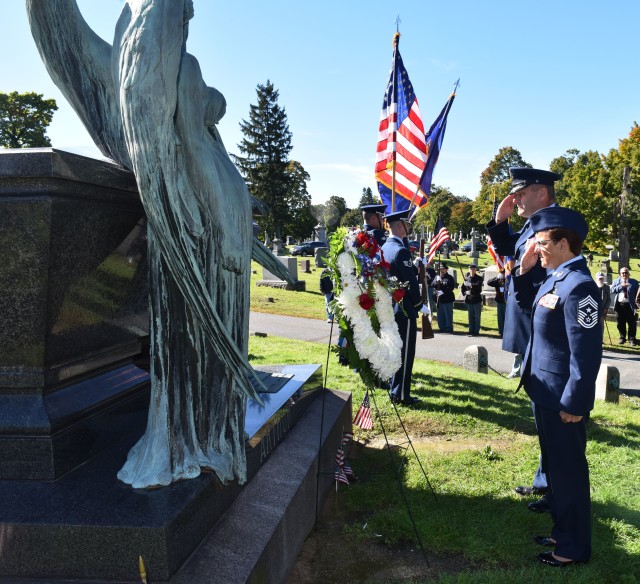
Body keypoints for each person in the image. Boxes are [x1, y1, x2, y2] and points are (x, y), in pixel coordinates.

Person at [515, 206, 602, 567]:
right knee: (554, 471)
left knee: (569, 474)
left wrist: (575, 403)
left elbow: (585, 356)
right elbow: (525, 307)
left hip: (562, 399)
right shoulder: (556, 277)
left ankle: (572, 548)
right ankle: (561, 531)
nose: (537, 250)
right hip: (544, 393)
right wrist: (524, 271)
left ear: (564, 244)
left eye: (542, 243)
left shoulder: (579, 286)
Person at [486, 167, 559, 506]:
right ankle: (546, 480)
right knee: (540, 410)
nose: (515, 197)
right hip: (529, 326)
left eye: (522, 192)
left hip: (541, 328)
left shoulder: (551, 227)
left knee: (549, 411)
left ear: (542, 192)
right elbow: (511, 251)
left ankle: (554, 485)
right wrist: (499, 222)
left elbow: (541, 281)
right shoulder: (534, 225)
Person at [381, 210, 430, 405]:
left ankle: (395, 390)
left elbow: (399, 273)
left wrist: (415, 264)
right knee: (405, 354)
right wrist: (420, 306)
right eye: (407, 224)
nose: (408, 228)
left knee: (395, 352)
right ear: (400, 226)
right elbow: (409, 283)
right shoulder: (401, 250)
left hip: (391, 308)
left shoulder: (386, 246)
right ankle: (401, 395)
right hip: (404, 309)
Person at [611, 267, 639, 345]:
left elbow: (637, 295)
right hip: (619, 305)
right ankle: (622, 338)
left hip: (630, 306)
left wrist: (636, 306)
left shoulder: (634, 282)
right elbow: (612, 290)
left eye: (626, 272)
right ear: (620, 274)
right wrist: (621, 286)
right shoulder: (616, 281)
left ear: (628, 273)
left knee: (632, 323)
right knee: (620, 323)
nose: (624, 274)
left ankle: (632, 339)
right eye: (623, 273)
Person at [432, 262, 457, 333]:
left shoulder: (449, 278)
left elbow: (451, 287)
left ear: (446, 270)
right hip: (439, 299)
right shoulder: (437, 277)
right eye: (440, 269)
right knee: (440, 315)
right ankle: (442, 328)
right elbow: (432, 284)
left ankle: (449, 328)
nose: (442, 270)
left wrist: (443, 291)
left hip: (447, 299)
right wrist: (436, 282)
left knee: (448, 314)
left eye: (443, 269)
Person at [461, 263, 484, 336]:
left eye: (473, 269)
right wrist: (465, 292)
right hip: (469, 300)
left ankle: (476, 331)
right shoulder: (466, 279)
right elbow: (463, 288)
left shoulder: (479, 278)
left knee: (477, 316)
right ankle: (471, 330)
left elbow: (478, 286)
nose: (472, 270)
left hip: (476, 299)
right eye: (470, 269)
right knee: (470, 316)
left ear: (475, 270)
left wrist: (470, 285)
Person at [486, 268, 507, 336]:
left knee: (507, 317)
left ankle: (507, 331)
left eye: (503, 273)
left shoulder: (508, 279)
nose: (502, 274)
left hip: (507, 300)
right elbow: (489, 282)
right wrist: (497, 278)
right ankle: (501, 331)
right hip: (500, 300)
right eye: (501, 273)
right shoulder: (498, 280)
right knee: (500, 317)